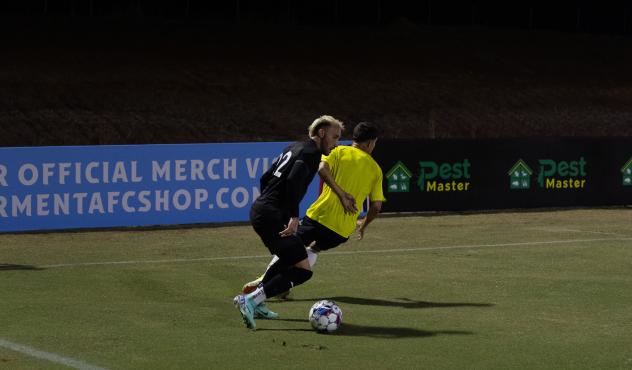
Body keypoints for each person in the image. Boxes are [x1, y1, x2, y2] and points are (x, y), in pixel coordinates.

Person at [242, 122, 385, 305]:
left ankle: (264, 284)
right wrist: (363, 225)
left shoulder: (338, 152)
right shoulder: (375, 169)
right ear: (369, 143)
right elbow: (376, 206)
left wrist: (339, 193)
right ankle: (280, 286)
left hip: (318, 217)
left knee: (291, 249)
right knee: (313, 249)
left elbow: (321, 168)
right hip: (341, 231)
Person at [234, 115, 353, 330]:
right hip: (271, 215)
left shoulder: (295, 147)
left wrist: (271, 205)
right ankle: (250, 301)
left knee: (288, 258)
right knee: (303, 270)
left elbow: (265, 177)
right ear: (322, 133)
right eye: (335, 137)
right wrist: (293, 217)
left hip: (262, 210)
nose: (336, 144)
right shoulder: (311, 153)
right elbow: (293, 182)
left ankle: (258, 302)